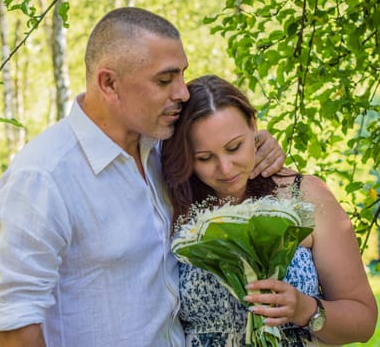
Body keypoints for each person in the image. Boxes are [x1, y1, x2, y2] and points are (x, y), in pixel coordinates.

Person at [0, 8, 285, 347]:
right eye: (164, 80)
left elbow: (225, 167)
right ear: (108, 83)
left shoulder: (164, 152)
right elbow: (16, 323)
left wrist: (259, 146)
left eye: (182, 75)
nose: (182, 93)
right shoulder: (42, 177)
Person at [161, 74, 378, 346]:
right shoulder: (172, 201)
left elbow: (364, 321)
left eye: (234, 147)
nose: (225, 168)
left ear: (254, 126)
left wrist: (305, 309)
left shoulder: (305, 194)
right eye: (204, 158)